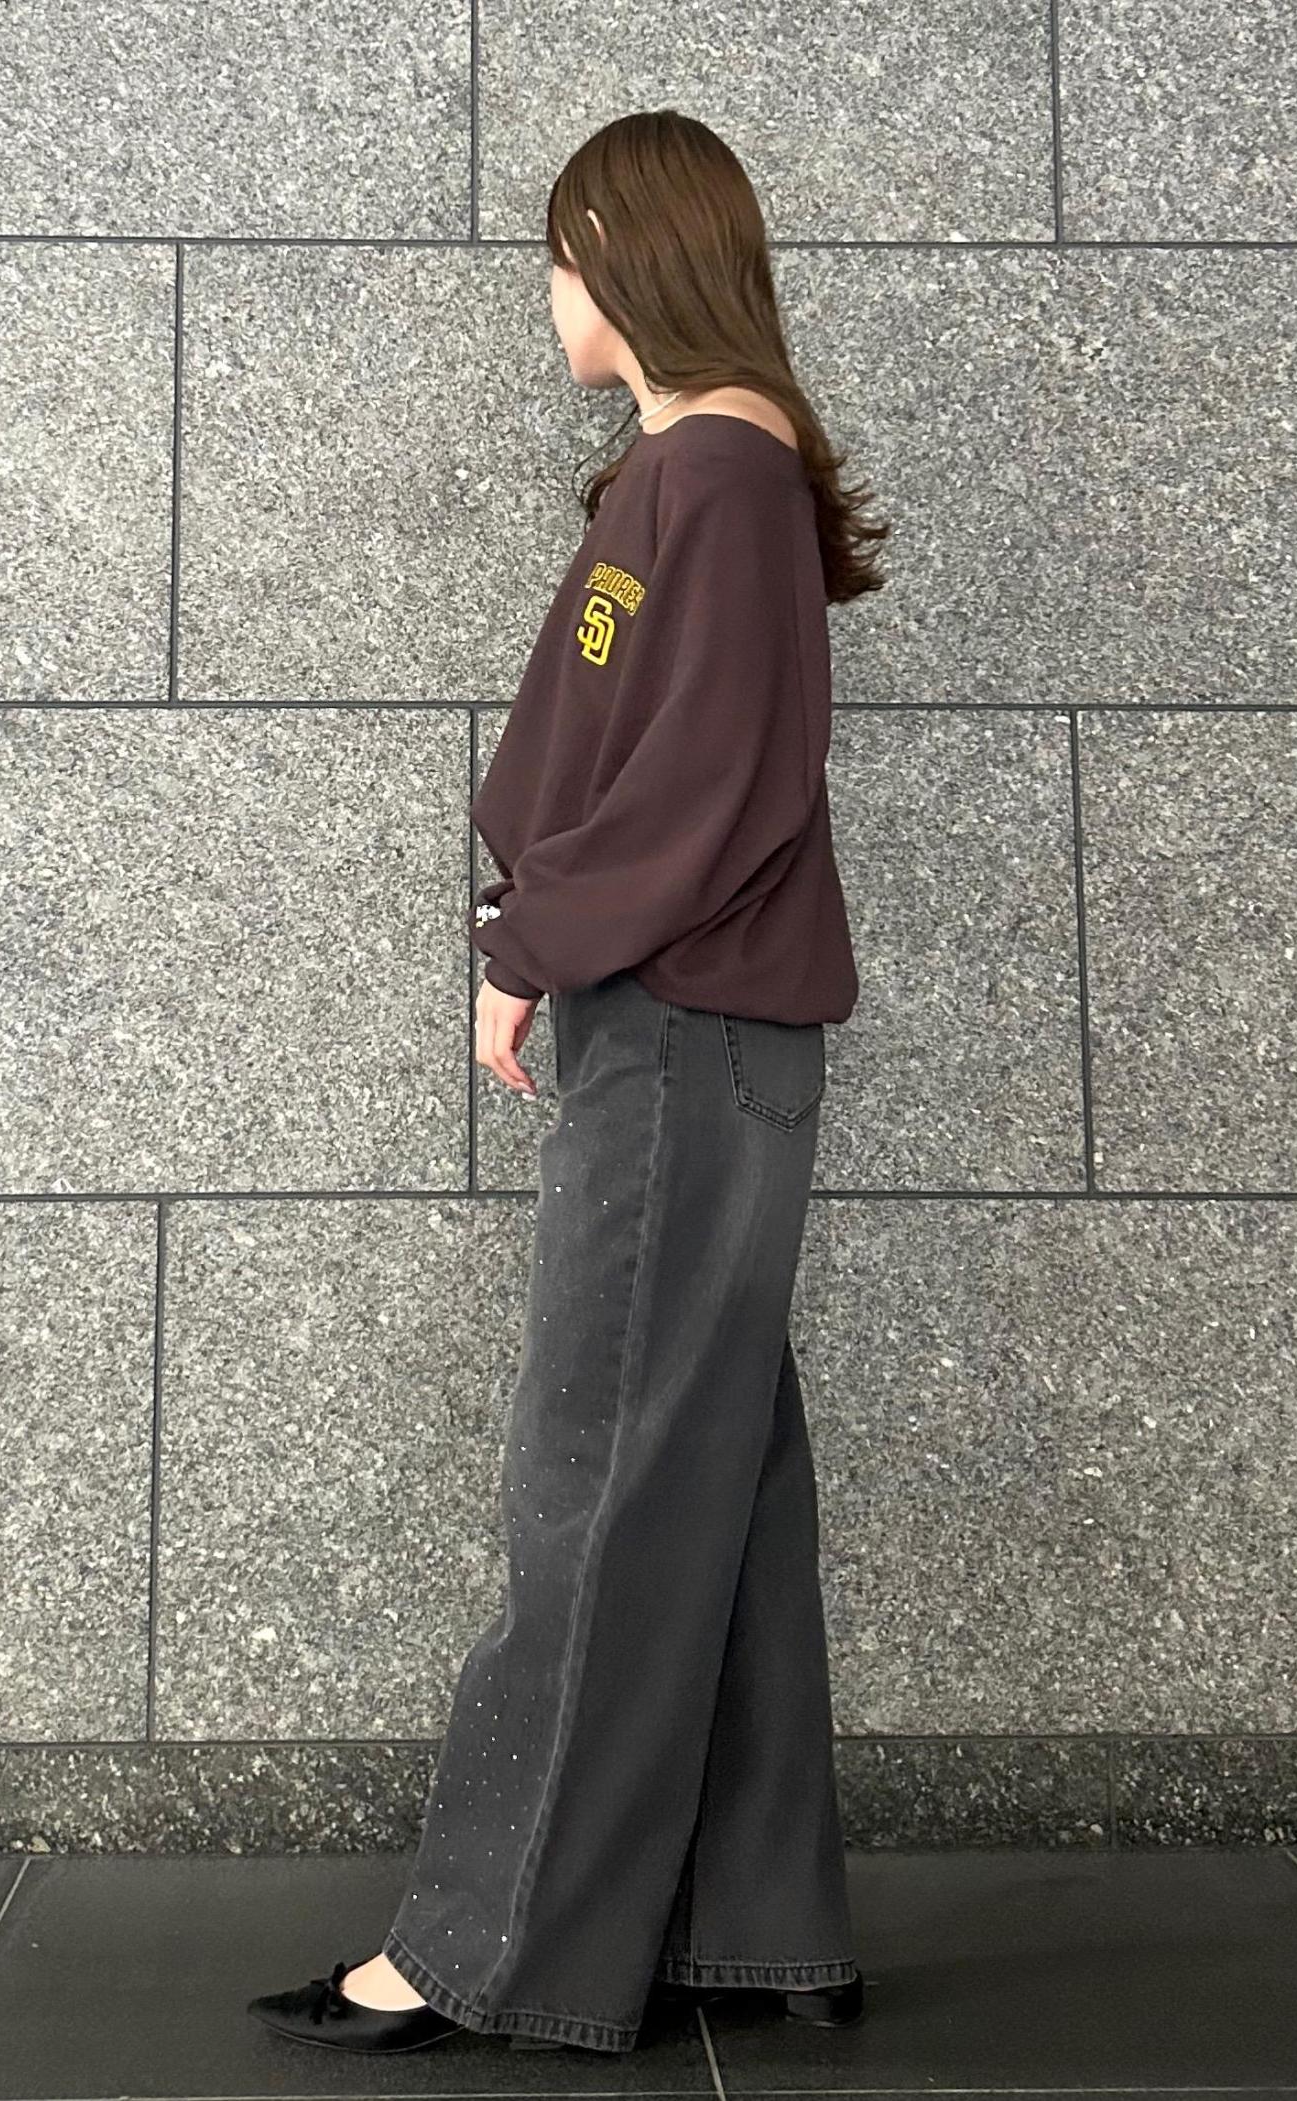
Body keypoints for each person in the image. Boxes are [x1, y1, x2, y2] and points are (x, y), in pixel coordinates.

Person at [248, 106, 891, 2059]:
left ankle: (486, 1944)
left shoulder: (718, 476)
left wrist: (527, 944)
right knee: (711, 1472)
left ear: (626, 255)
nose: (548, 291)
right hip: (692, 1020)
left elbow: (706, 787)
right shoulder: (699, 470)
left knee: (597, 1472)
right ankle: (758, 1923)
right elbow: (645, 751)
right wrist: (534, 918)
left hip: (676, 1023)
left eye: (559, 255)